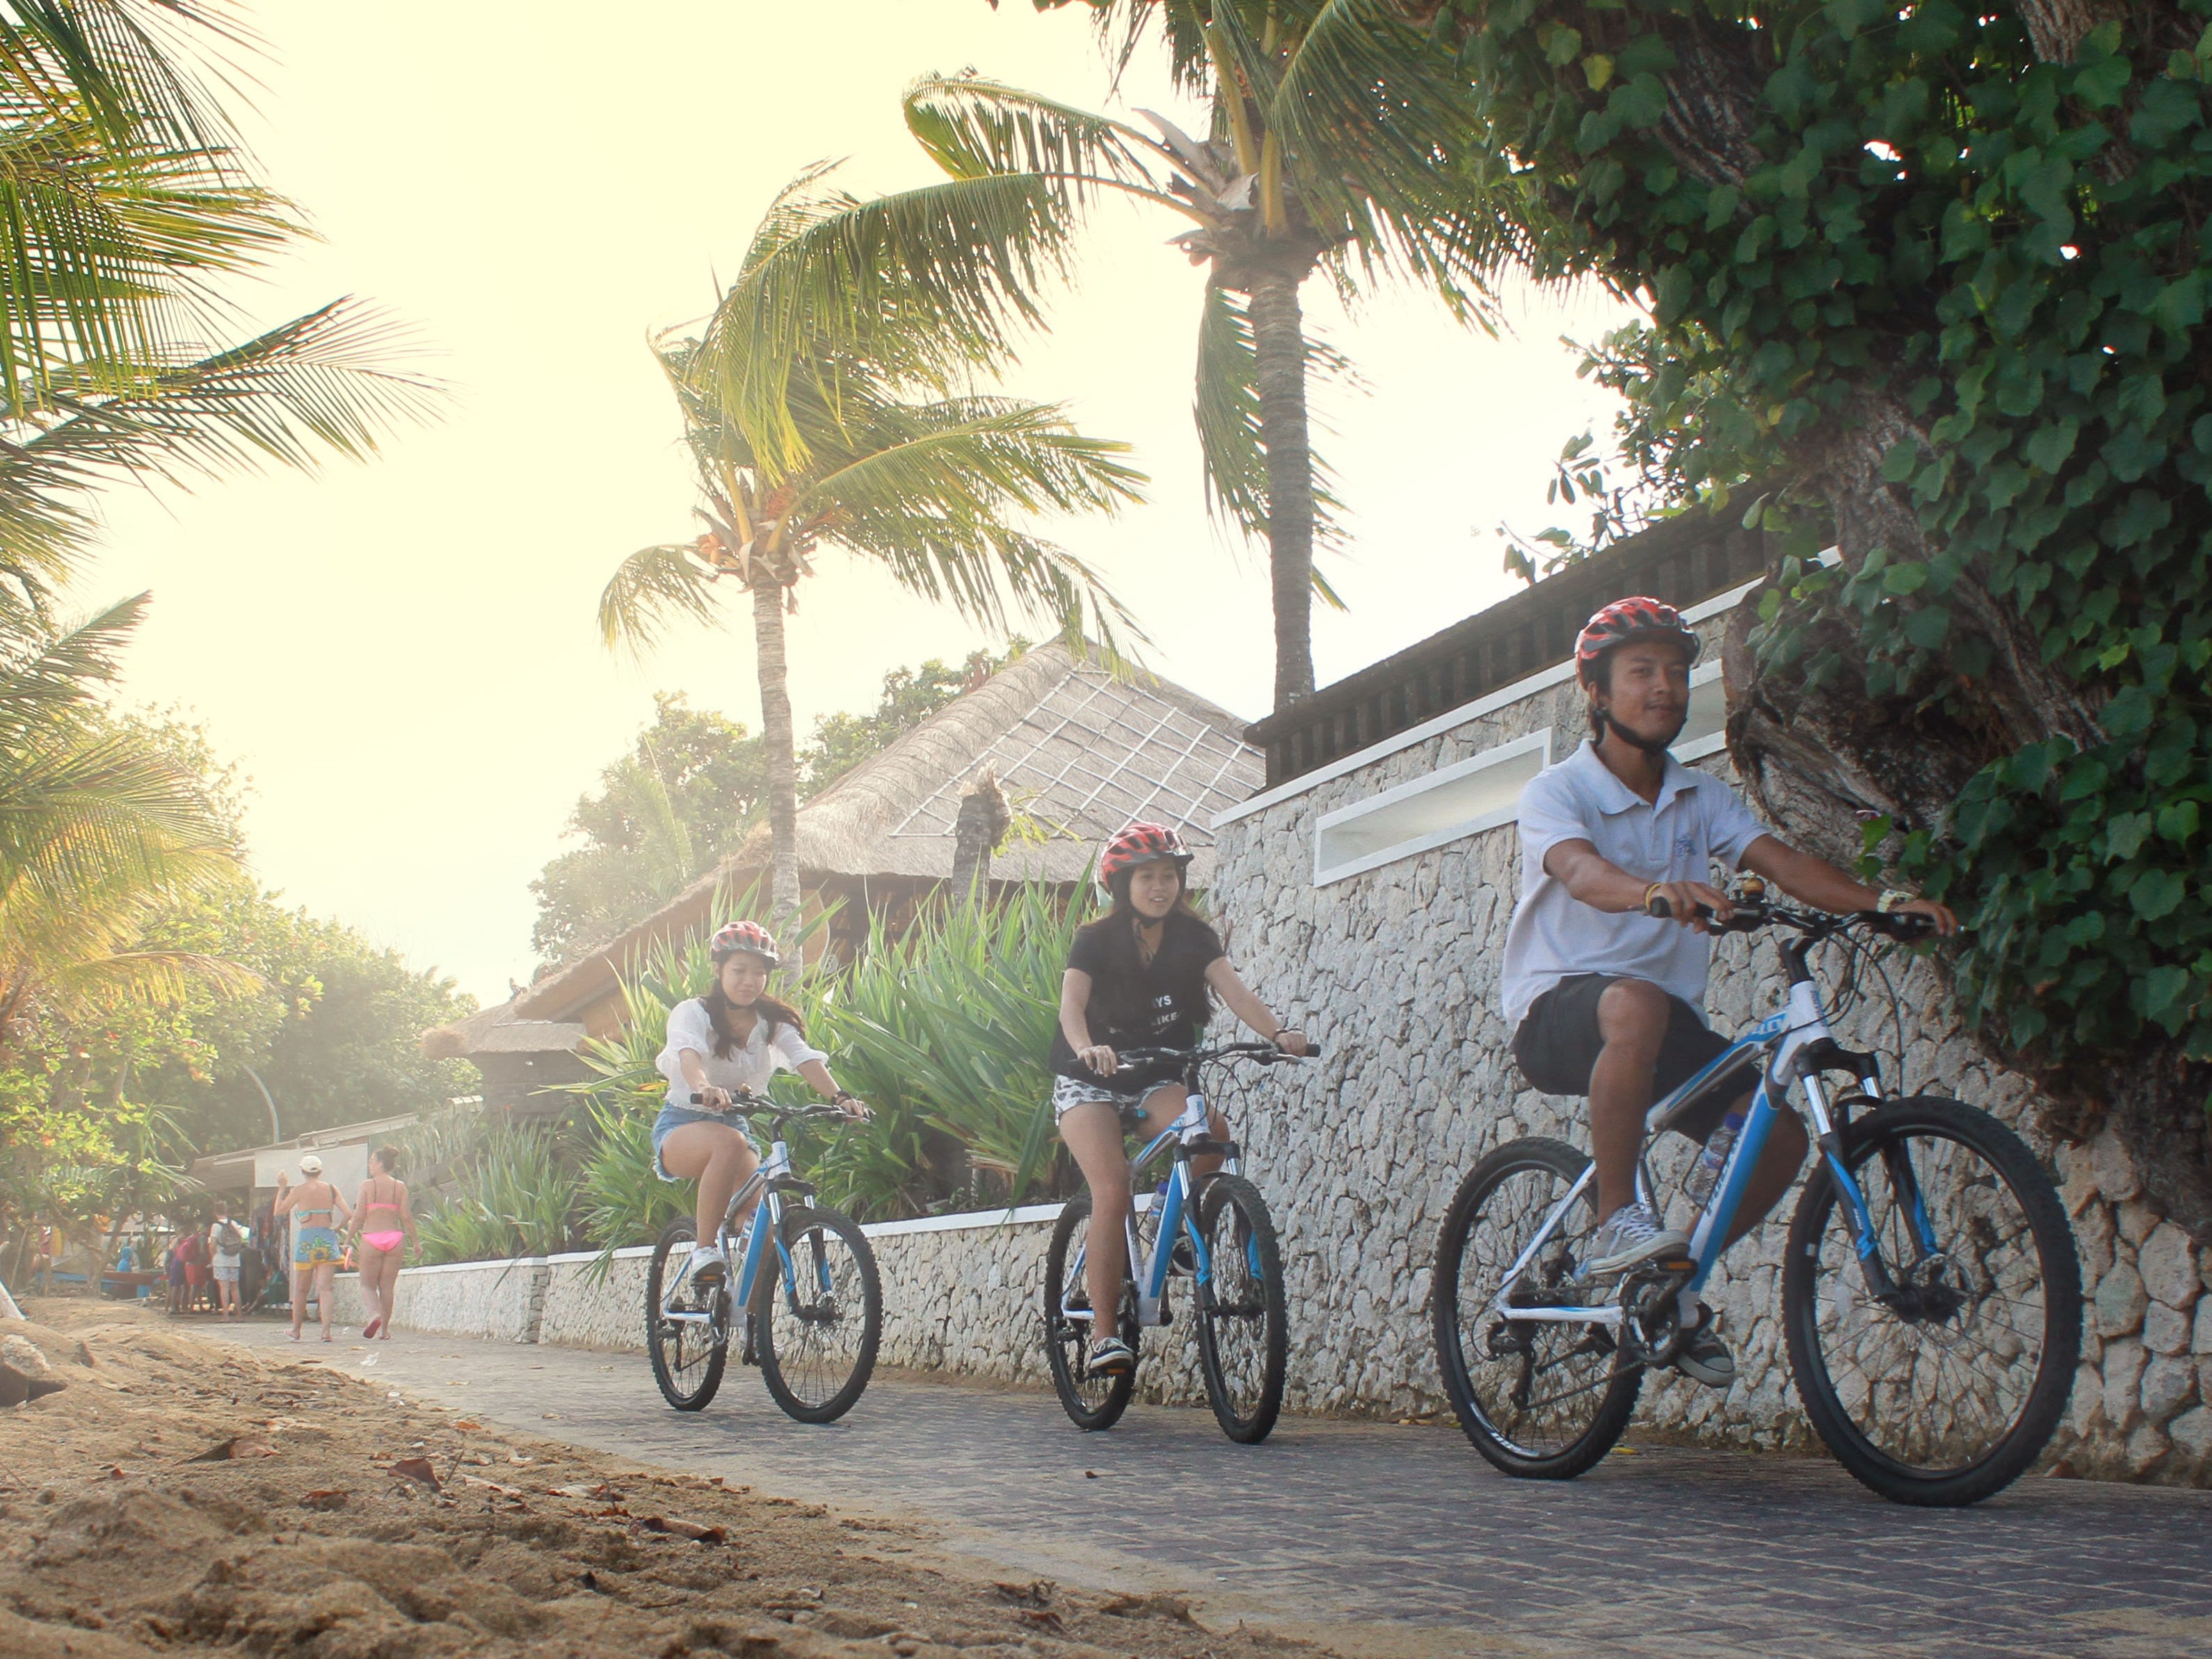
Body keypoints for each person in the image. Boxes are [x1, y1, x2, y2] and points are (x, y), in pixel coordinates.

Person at [1500, 596, 1958, 1388]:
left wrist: (1878, 904)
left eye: (1677, 673)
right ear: (1599, 693)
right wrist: (1652, 892)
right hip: (1558, 1008)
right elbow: (1578, 871)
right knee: (1635, 1000)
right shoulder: (1557, 792)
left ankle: (1668, 1284)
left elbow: (1780, 861)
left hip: (1658, 1022)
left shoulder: (1698, 795)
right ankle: (1616, 1222)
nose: (1665, 687)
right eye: (1641, 672)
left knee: (1777, 1131)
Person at [1049, 822, 1310, 1379]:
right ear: (1123, 885)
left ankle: (1175, 1218)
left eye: (1168, 875)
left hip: (1155, 1074)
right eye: (1147, 877)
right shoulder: (1095, 939)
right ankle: (1101, 1336)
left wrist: (1277, 1032)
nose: (1160, 886)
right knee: (1113, 1186)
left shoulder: (1195, 938)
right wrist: (1088, 1047)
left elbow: (1234, 989)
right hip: (1090, 1077)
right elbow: (1071, 1007)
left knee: (1209, 1131)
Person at [653, 921, 871, 1296]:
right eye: (739, 971)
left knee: (762, 1227)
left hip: (735, 1123)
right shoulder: (692, 1012)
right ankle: (704, 1251)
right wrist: (704, 1088)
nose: (749, 981)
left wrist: (840, 1098)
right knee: (730, 1143)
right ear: (719, 970)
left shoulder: (771, 1022)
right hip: (683, 1121)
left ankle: (756, 1332)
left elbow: (803, 1059)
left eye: (759, 973)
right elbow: (688, 1054)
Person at [274, 1156, 351, 1342]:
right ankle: (326, 1332)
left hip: (307, 1241)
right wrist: (337, 1228)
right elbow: (348, 1213)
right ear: (320, 1171)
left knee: (301, 1290)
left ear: (303, 1171)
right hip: (327, 1239)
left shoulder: (298, 1190)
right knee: (325, 1290)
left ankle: (296, 1329)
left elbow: (278, 1211)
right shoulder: (331, 1189)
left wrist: (282, 1188)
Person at [348, 1145, 415, 1340]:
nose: (369, 1165)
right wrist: (416, 1242)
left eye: (371, 1161)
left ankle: (374, 1314)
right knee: (387, 1287)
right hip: (395, 1238)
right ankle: (385, 1331)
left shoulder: (368, 1186)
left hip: (372, 1237)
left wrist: (348, 1239)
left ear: (379, 1164)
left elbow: (359, 1215)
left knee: (367, 1285)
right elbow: (407, 1217)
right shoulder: (399, 1186)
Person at [207, 1204, 248, 1320]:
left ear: (215, 1212)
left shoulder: (216, 1226)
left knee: (224, 1288)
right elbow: (241, 1239)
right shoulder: (234, 1223)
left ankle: (226, 1315)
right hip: (234, 1260)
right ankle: (239, 1315)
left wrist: (213, 1257)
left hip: (221, 1260)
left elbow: (213, 1245)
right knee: (235, 1288)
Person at [164, 1231, 189, 1314]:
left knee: (175, 1288)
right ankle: (172, 1307)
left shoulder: (178, 1242)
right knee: (175, 1287)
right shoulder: (178, 1242)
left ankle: (171, 1307)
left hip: (175, 1265)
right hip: (177, 1265)